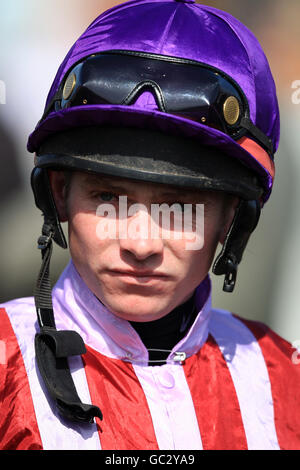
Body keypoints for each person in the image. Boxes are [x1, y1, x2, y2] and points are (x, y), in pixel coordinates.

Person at [0, 0, 299, 451]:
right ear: (57, 194)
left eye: (179, 207)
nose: (141, 244)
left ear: (232, 219)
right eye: (107, 198)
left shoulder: (286, 378)